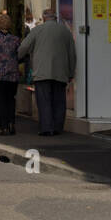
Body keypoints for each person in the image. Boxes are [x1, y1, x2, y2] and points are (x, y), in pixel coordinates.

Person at [18, 8, 76, 136]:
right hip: (61, 72)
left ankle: (46, 128)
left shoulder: (37, 30)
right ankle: (57, 127)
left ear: (44, 18)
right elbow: (72, 53)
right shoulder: (65, 31)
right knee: (59, 101)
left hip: (42, 72)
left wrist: (17, 57)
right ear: (55, 18)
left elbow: (24, 47)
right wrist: (71, 72)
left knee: (44, 101)